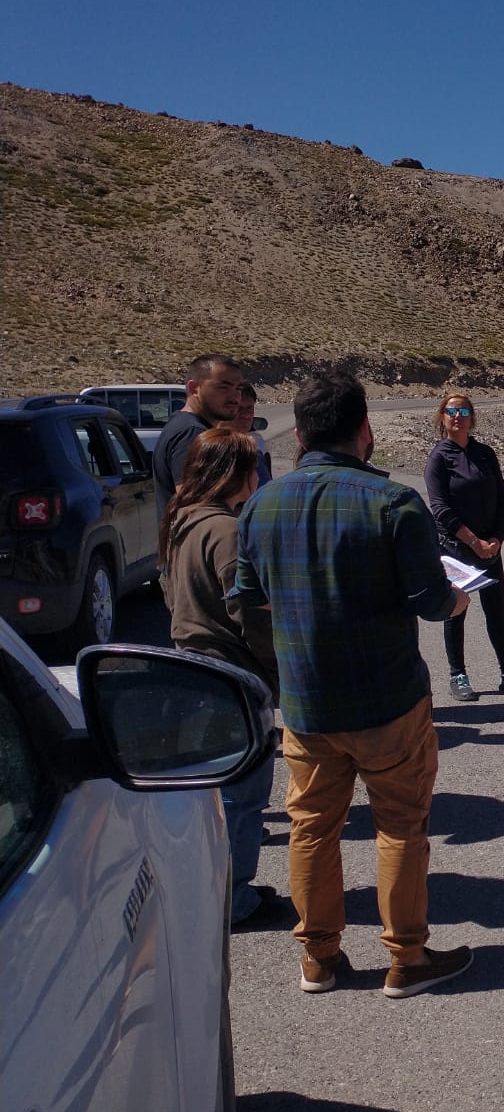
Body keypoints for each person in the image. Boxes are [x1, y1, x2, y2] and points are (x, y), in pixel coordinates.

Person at [235, 371, 475, 998]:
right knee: (400, 825)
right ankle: (407, 959)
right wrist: (457, 600)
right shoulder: (393, 503)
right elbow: (431, 602)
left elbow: (249, 596)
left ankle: (318, 958)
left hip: (307, 702)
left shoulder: (262, 504)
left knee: (312, 828)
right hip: (387, 699)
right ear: (365, 429)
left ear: (300, 433)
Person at [162, 427, 286, 930]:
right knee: (243, 792)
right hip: (231, 672)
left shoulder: (182, 519)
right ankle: (234, 899)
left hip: (191, 664)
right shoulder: (227, 531)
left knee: (214, 789)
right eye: (254, 467)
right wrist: (276, 670)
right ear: (236, 474)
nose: (259, 475)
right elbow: (249, 611)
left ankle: (219, 887)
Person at [424, 391, 504, 701]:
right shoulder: (439, 457)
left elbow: (503, 500)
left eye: (464, 412)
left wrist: (497, 539)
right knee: (456, 610)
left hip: (490, 547)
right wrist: (473, 541)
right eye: (452, 411)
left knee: (496, 611)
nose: (458, 416)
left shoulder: (485, 454)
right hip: (455, 548)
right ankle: (458, 674)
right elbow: (440, 508)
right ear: (442, 418)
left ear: (472, 418)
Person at [153, 353, 244, 521]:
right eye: (223, 387)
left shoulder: (184, 425)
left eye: (238, 388)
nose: (234, 397)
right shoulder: (192, 433)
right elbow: (193, 504)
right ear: (195, 388)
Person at [228, 381, 273, 487]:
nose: (246, 415)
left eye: (249, 408)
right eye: (239, 408)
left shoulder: (257, 444)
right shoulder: (213, 443)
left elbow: (266, 488)